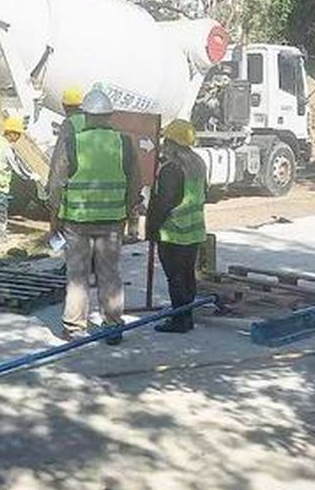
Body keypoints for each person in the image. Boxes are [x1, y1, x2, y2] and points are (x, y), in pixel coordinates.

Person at [47, 88, 136, 343]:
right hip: (112, 223)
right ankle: (113, 327)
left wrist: (54, 219)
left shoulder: (73, 142)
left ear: (85, 115)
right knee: (110, 273)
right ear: (110, 116)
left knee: (77, 276)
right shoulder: (124, 142)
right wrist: (127, 215)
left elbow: (57, 183)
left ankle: (74, 329)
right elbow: (135, 184)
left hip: (77, 221)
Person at [145, 119, 207, 333]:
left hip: (173, 233)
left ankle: (180, 320)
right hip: (194, 231)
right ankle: (186, 314)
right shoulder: (198, 163)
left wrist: (151, 228)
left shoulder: (172, 169)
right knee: (188, 276)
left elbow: (165, 201)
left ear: (171, 142)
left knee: (175, 278)